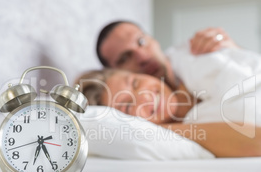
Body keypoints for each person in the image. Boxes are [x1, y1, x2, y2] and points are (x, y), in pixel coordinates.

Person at [75, 67, 261, 158]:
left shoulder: (192, 69)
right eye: (127, 106)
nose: (144, 95)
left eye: (135, 83)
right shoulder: (189, 132)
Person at [96, 20, 238, 89]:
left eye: (141, 41)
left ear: (154, 39)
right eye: (125, 58)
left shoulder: (196, 53)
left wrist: (231, 48)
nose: (142, 57)